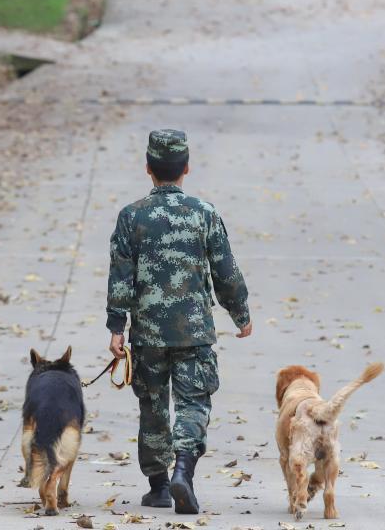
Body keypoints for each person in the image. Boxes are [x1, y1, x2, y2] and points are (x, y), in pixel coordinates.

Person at [105, 129, 253, 514]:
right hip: (194, 331)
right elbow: (226, 271)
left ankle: (159, 487)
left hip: (149, 333)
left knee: (153, 404)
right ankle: (183, 471)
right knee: (193, 402)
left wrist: (116, 327)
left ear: (148, 169)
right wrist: (241, 314)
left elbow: (120, 275)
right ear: (186, 168)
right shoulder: (204, 213)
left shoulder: (131, 216)